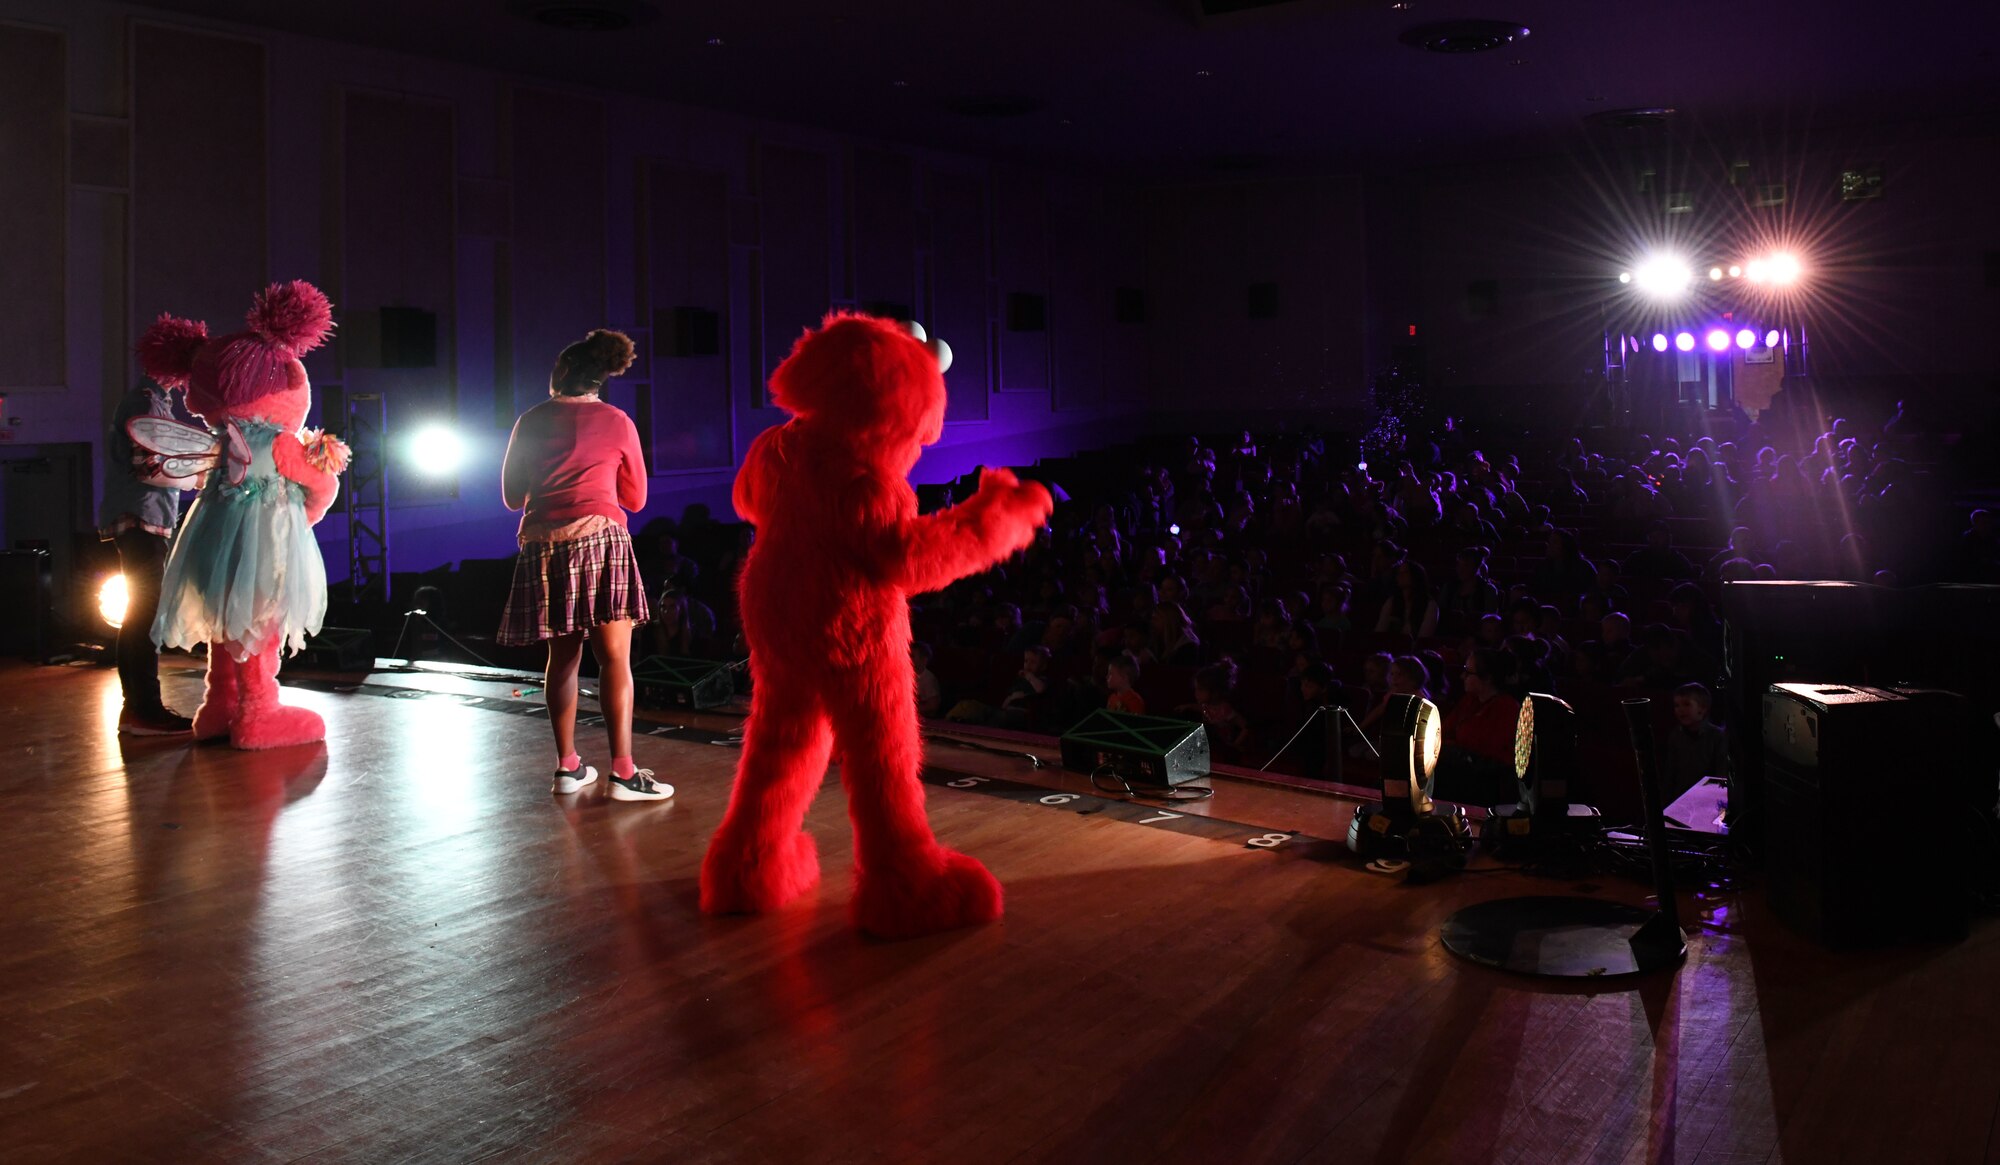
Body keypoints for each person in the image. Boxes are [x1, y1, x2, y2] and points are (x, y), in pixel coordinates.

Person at [499, 328, 670, 801]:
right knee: (615, 657)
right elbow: (636, 499)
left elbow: (513, 497)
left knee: (563, 658)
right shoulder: (618, 421)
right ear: (599, 378)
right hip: (601, 539)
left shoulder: (530, 420)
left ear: (562, 373)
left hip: (544, 545)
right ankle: (623, 773)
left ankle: (568, 768)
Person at [98, 379, 195, 735]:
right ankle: (145, 711)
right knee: (145, 618)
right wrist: (195, 476)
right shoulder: (146, 401)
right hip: (141, 519)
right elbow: (148, 466)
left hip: (144, 519)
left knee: (140, 616)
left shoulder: (155, 402)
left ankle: (137, 710)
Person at [1660, 682, 1730, 799]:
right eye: (1677, 705)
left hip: (1707, 797)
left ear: (1702, 709)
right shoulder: (1676, 736)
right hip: (1681, 797)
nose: (1680, 710)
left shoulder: (1717, 736)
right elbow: (1670, 773)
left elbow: (1721, 772)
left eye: (1686, 704)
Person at [911, 640, 943, 718]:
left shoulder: (928, 679)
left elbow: (933, 705)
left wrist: (911, 710)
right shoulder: (907, 676)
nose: (909, 659)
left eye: (912, 656)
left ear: (924, 659)